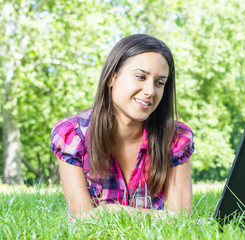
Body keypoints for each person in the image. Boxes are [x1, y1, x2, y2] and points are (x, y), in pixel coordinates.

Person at [50, 34, 194, 219]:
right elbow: (82, 220)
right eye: (140, 77)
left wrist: (112, 211)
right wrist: (158, 218)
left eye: (159, 83)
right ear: (112, 77)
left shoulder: (175, 138)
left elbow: (181, 219)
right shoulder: (73, 135)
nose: (150, 91)